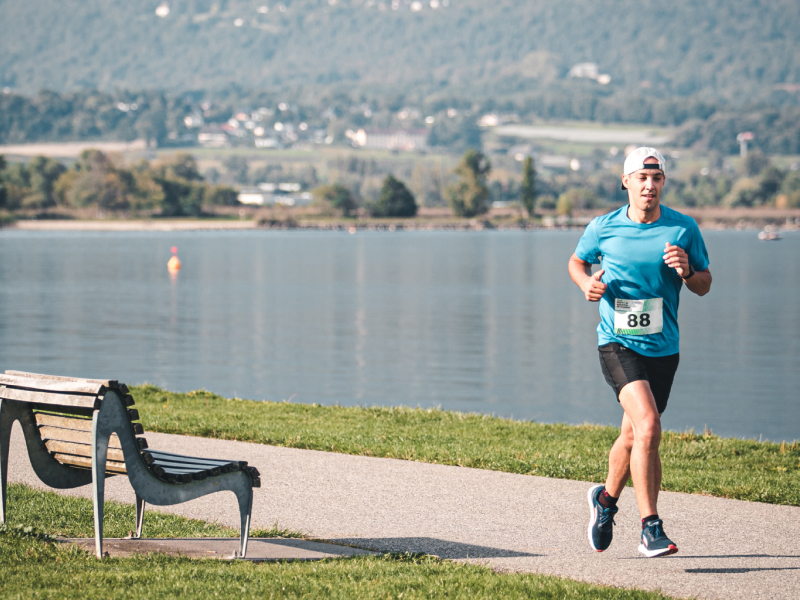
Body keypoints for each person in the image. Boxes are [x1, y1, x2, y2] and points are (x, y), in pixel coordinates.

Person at [568, 147, 712, 558]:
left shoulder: (683, 229)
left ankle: (605, 501)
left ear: (663, 182)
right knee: (648, 424)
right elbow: (576, 263)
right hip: (616, 341)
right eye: (642, 178)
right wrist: (586, 285)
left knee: (632, 435)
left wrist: (686, 270)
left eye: (657, 178)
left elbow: (704, 283)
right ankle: (651, 528)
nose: (650, 185)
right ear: (626, 182)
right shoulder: (604, 228)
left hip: (664, 348)